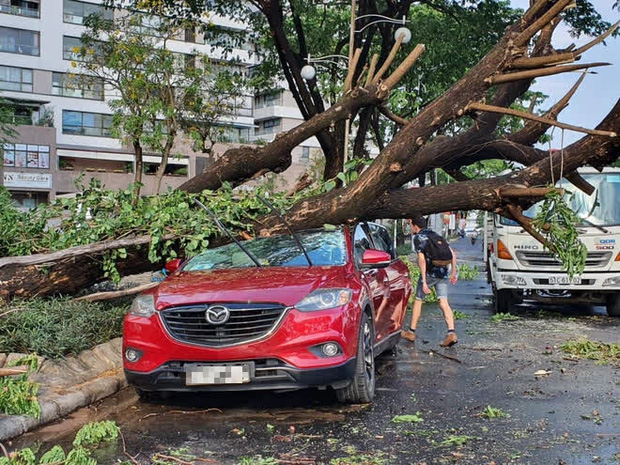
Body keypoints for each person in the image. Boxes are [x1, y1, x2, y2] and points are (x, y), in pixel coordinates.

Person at [403, 217, 459, 347]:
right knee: (443, 302)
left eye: (410, 224)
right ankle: (451, 333)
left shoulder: (419, 238)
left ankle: (411, 332)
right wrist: (453, 272)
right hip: (443, 272)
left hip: (429, 274)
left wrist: (424, 281)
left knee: (418, 299)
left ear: (414, 225)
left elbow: (421, 260)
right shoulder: (436, 235)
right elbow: (453, 254)